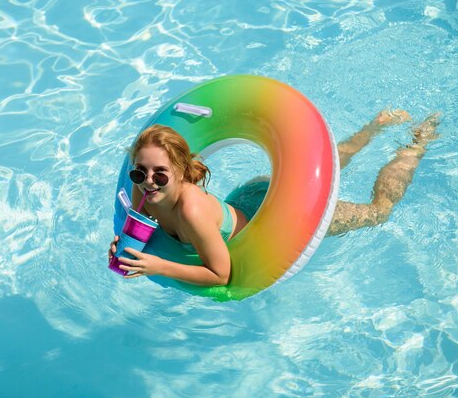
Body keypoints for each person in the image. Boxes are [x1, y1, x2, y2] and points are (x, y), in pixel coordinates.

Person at [108, 109, 440, 286]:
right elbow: (139, 226)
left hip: (283, 217)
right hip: (249, 199)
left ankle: (415, 145)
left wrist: (159, 266)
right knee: (330, 167)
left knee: (377, 212)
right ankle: (374, 127)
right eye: (140, 172)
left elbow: (221, 274)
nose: (148, 182)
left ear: (180, 172)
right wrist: (121, 244)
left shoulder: (192, 210)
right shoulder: (141, 188)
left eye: (160, 174)